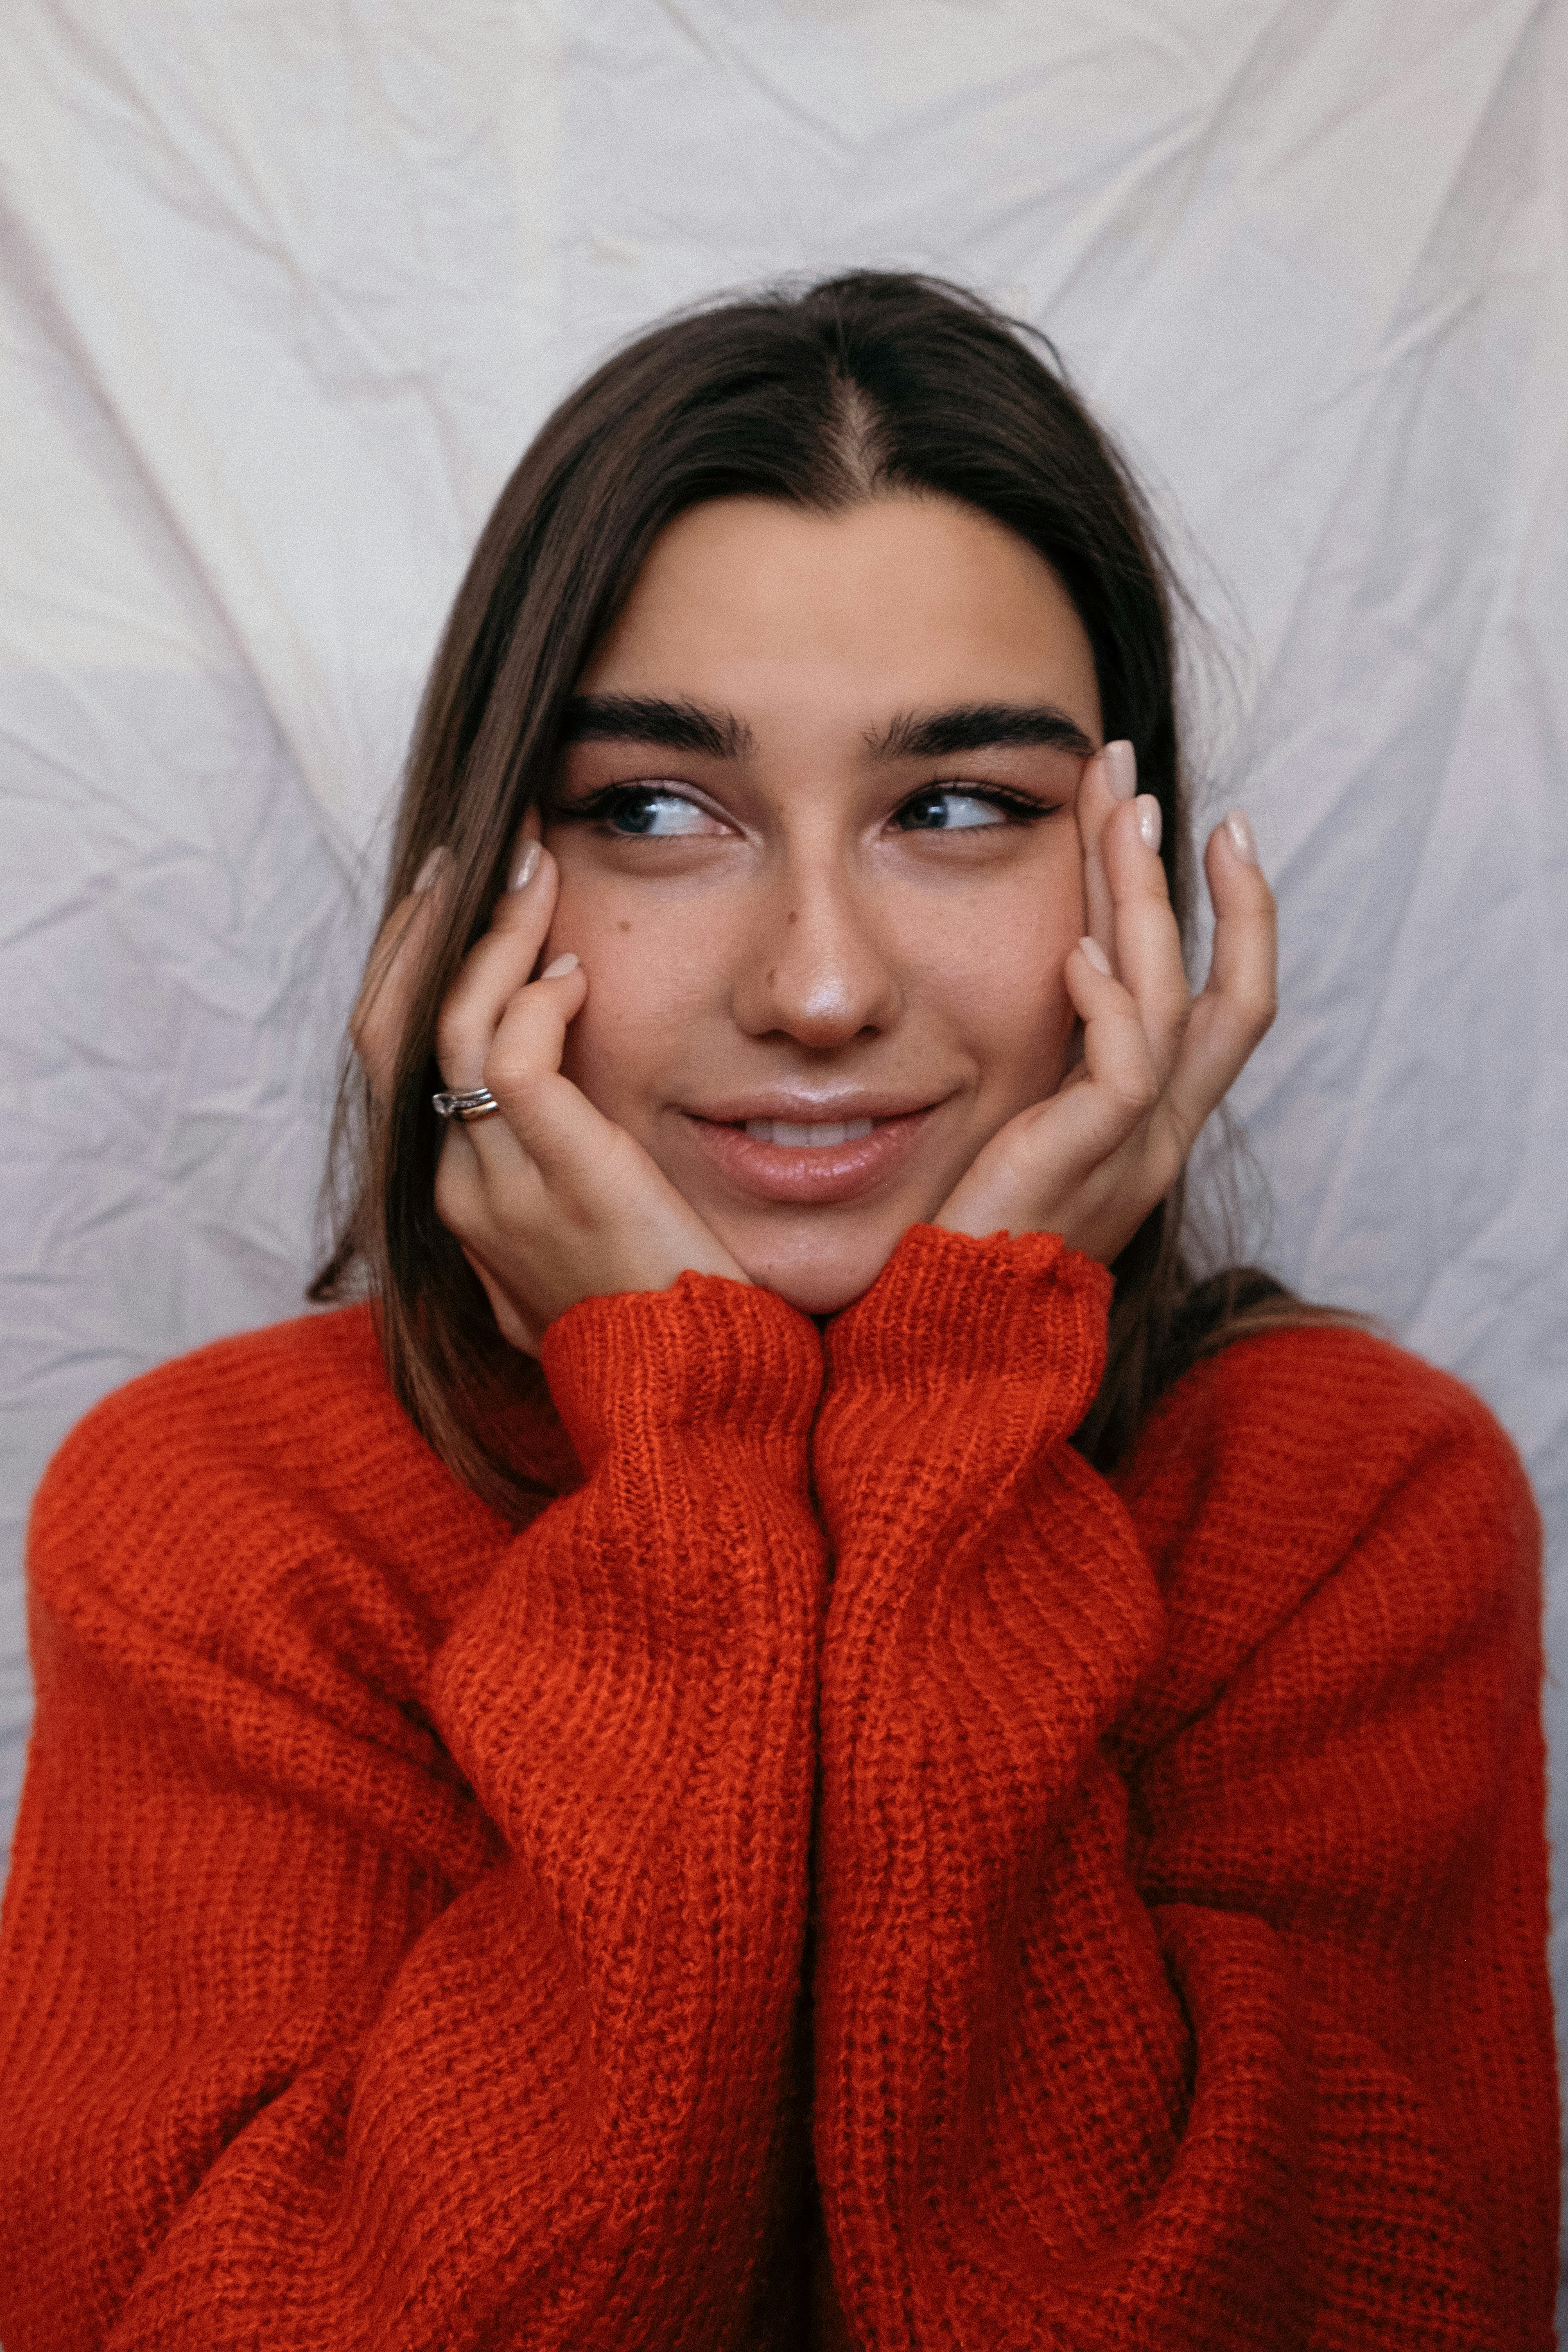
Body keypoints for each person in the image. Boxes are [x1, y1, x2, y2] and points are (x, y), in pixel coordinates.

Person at [0, 272, 1554, 2352]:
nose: (816, 988)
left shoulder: (1350, 1506)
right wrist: (691, 1470)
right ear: (481, 893)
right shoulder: (223, 1523)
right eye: (655, 810)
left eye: (958, 808)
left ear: (1133, 894)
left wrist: (952, 1435)